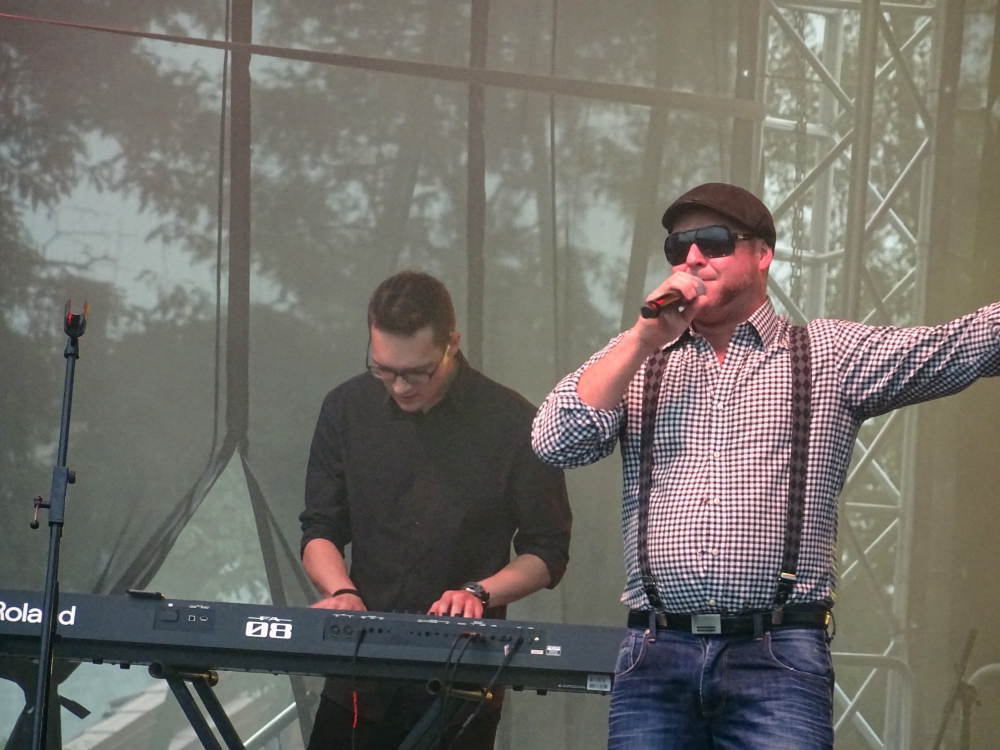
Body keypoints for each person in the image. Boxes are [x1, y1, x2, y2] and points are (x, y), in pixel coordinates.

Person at [531, 182, 1000, 749]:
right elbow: (555, 442)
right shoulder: (640, 358)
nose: (692, 257)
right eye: (679, 246)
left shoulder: (825, 354)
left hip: (776, 655)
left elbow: (959, 346)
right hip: (654, 655)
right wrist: (641, 339)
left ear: (762, 254)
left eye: (713, 241)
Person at [301, 270, 572, 750]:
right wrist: (341, 591)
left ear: (453, 344)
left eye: (417, 372)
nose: (400, 386)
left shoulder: (514, 422)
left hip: (463, 679)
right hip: (358, 676)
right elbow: (320, 527)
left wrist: (479, 592)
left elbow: (547, 551)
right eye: (384, 369)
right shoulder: (346, 408)